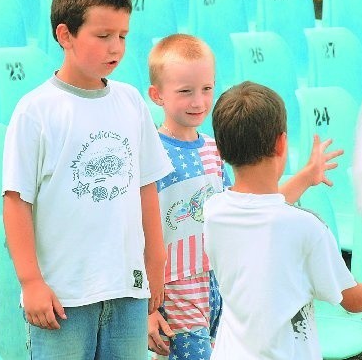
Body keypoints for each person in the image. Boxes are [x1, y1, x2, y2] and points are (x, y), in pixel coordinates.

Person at [1, 0, 173, 359]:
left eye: (123, 36)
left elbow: (146, 187)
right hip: (63, 300)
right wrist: (31, 282)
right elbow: (15, 202)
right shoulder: (36, 110)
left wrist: (155, 261)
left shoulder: (131, 102)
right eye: (103, 36)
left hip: (127, 291)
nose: (116, 47)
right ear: (66, 35)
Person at [146, 35, 348, 359]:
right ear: (157, 95)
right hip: (175, 290)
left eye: (207, 89)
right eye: (185, 91)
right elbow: (136, 233)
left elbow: (257, 202)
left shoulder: (214, 149)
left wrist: (306, 177)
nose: (198, 101)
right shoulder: (150, 154)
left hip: (221, 284)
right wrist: (147, 308)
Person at [203, 82, 362, 360]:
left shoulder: (214, 212)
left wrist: (306, 177)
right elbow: (353, 300)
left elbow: (259, 209)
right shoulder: (306, 228)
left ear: (221, 151)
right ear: (281, 143)